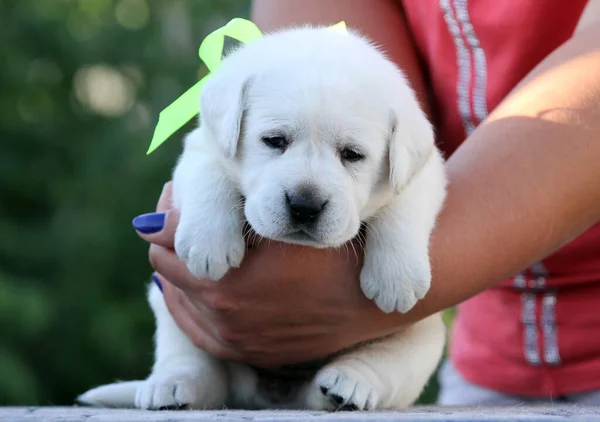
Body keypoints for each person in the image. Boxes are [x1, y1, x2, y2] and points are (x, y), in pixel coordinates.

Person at [131, 0, 600, 406]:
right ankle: (188, 371)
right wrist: (207, 208)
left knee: (417, 339)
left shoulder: (399, 131)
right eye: (274, 140)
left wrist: (398, 246)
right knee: (167, 294)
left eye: (351, 154)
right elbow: (204, 154)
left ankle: (361, 382)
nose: (306, 194)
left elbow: (422, 174)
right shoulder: (270, 79)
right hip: (489, 356)